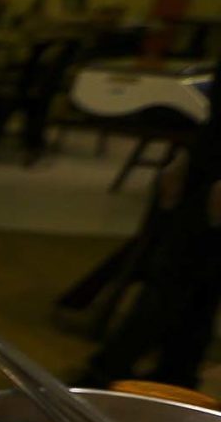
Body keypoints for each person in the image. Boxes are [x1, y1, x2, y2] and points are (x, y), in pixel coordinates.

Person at [74, 99, 221, 390]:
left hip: (209, 175)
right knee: (194, 284)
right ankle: (174, 371)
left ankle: (111, 371)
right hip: (207, 166)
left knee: (178, 280)